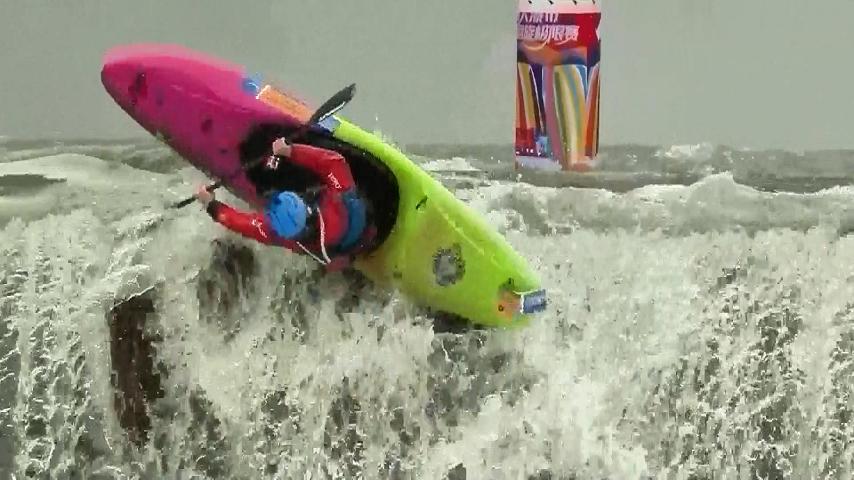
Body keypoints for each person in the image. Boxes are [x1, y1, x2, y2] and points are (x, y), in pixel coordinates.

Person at [194, 137, 374, 271]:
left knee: (271, 179)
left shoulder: (275, 234)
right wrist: (291, 151)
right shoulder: (339, 199)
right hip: (358, 224)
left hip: (344, 240)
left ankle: (270, 162)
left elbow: (237, 222)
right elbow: (334, 163)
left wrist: (211, 204)